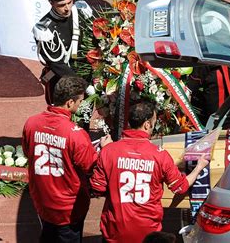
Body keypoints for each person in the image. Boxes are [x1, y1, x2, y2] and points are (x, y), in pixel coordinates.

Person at [90, 100, 210, 242]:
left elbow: (97, 188)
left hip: (114, 231)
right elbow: (180, 187)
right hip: (148, 234)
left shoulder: (109, 150)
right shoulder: (159, 155)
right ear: (147, 124)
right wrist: (198, 168)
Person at [22, 76, 111, 242]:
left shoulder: (31, 123)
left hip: (42, 200)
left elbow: (28, 153)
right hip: (69, 208)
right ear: (70, 102)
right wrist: (104, 149)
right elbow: (91, 167)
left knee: (47, 236)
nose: (82, 105)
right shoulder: (75, 134)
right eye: (80, 101)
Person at [32, 0, 93, 105]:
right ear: (51, 3)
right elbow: (57, 65)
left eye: (69, 2)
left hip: (85, 74)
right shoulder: (44, 29)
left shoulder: (81, 13)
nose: (67, 8)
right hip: (61, 82)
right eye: (61, 5)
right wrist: (84, 86)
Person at [188, 0, 230, 124]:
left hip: (217, 78)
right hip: (207, 75)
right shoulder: (206, 10)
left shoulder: (213, 16)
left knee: (218, 123)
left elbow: (210, 54)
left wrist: (192, 84)